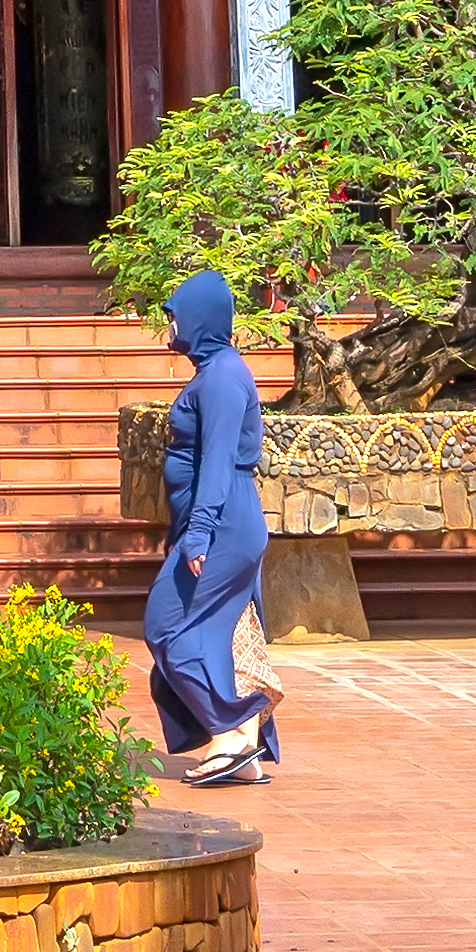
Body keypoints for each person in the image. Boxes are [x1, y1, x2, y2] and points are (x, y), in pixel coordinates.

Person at [142, 268, 276, 783]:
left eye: (174, 315)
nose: (169, 325)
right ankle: (242, 752)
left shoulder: (221, 378)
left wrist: (198, 533)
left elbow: (218, 463)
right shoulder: (216, 370)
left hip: (223, 523)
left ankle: (229, 729)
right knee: (213, 633)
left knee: (167, 626)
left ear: (198, 319)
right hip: (220, 521)